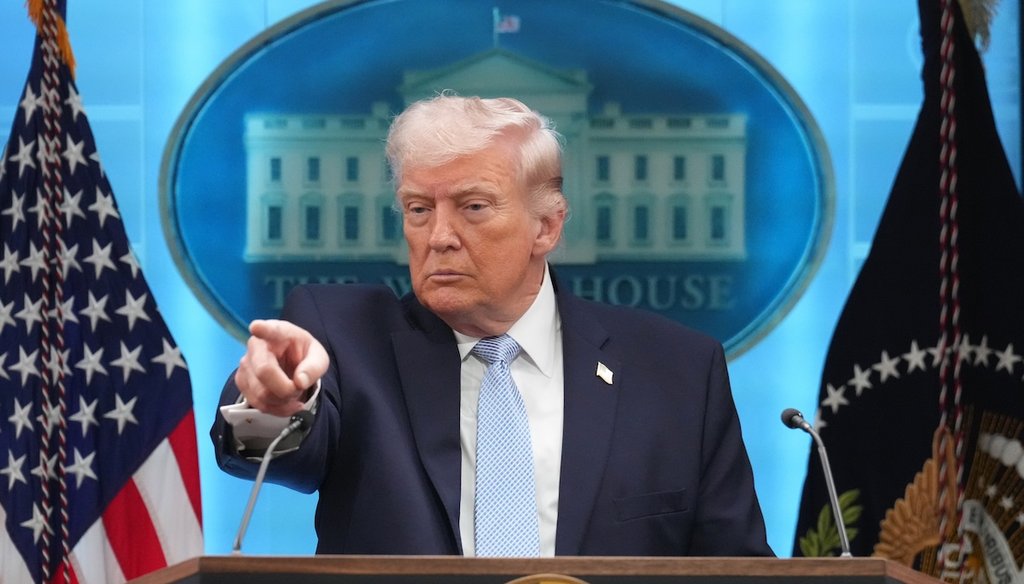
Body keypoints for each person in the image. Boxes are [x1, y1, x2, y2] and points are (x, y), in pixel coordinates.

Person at [211, 94, 773, 557]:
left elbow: (737, 568)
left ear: (546, 227)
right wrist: (273, 403)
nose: (439, 237)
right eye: (419, 209)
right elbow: (273, 450)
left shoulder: (677, 373)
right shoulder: (345, 339)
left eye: (474, 207)